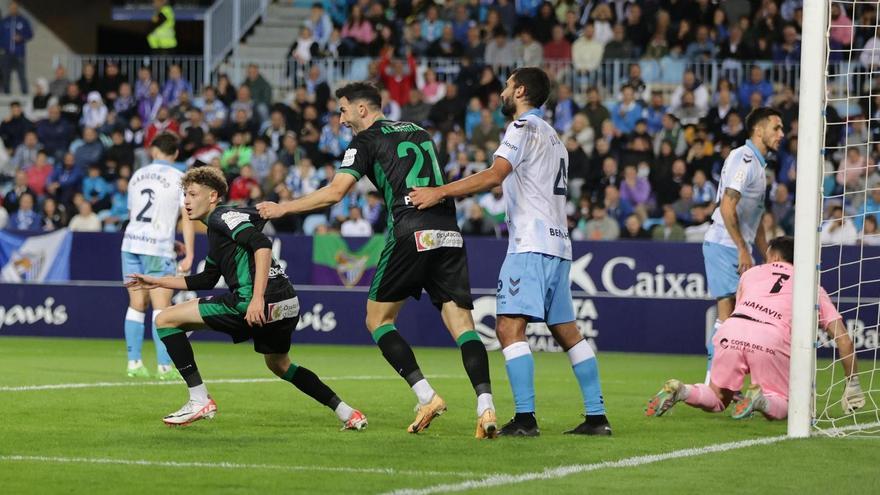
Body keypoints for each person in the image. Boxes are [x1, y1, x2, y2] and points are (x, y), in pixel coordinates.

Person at [257, 82, 498, 438]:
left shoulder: (365, 141)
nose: (340, 119)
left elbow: (335, 193)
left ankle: (426, 396)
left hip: (411, 229)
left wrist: (283, 207)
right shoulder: (419, 131)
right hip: (448, 231)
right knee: (463, 325)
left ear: (363, 110)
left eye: (343, 110)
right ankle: (486, 406)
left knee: (377, 320)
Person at [409, 68, 611, 437]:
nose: (502, 91)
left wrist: (439, 192)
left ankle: (525, 419)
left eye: (506, 85)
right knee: (567, 331)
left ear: (519, 90)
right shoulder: (553, 136)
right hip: (559, 245)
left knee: (508, 328)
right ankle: (597, 417)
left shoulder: (521, 129)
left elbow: (493, 174)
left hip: (530, 245)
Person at [126, 166, 368, 429]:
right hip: (286, 303)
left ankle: (199, 399)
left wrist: (256, 298)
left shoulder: (221, 217)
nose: (186, 201)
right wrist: (157, 281)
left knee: (165, 319)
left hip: (255, 301)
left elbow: (263, 245)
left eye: (193, 194)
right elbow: (206, 279)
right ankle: (347, 413)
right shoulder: (220, 226)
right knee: (280, 365)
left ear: (213, 196)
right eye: (184, 194)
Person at [646, 237, 865, 419]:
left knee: (718, 397)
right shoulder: (811, 286)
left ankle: (682, 390)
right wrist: (852, 383)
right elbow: (843, 340)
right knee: (786, 406)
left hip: (732, 329)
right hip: (770, 336)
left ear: (776, 257)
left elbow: (741, 306)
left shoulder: (750, 274)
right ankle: (761, 400)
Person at [701, 107, 783, 383]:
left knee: (743, 316)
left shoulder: (760, 167)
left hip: (736, 246)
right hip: (724, 244)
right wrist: (742, 249)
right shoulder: (744, 159)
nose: (781, 134)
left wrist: (769, 256)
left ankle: (726, 380)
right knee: (729, 313)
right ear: (759, 130)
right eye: (777, 128)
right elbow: (727, 206)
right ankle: (714, 381)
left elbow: (756, 220)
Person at [120, 132, 195, 380]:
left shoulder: (137, 176)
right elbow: (187, 216)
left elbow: (134, 214)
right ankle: (164, 366)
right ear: (175, 154)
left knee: (136, 305)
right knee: (162, 308)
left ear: (154, 151)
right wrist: (189, 251)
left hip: (131, 244)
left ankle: (134, 364)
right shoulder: (179, 177)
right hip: (157, 249)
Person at [0, 2, 33, 95]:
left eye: (15, 7)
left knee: (21, 75)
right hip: (6, 54)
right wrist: (3, 47)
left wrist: (21, 37)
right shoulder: (4, 21)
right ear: (9, 8)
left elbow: (30, 34)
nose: (13, 9)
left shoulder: (23, 21)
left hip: (19, 53)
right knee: (6, 75)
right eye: (11, 7)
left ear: (18, 8)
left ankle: (24, 93)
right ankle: (7, 93)